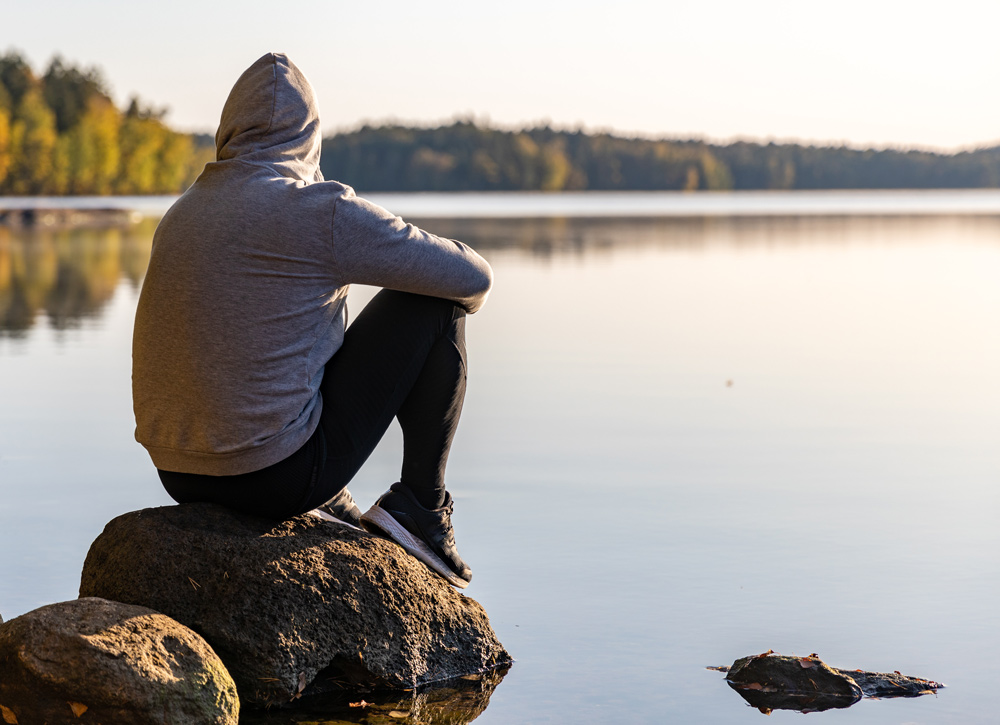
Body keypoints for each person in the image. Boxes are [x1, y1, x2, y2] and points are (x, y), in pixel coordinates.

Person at [131, 53, 492, 589]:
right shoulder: (317, 210)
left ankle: (332, 493)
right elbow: (472, 277)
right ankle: (421, 508)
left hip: (178, 473)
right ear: (308, 135)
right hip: (273, 476)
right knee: (433, 304)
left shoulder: (182, 213)